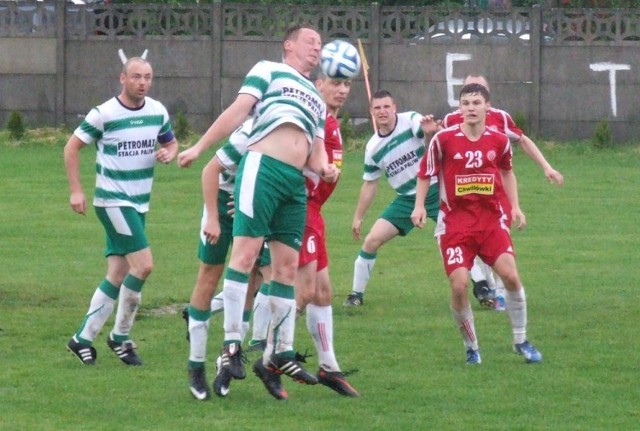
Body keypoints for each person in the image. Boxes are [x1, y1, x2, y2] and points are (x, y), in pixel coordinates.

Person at [177, 24, 338, 400]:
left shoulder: (315, 99)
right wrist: (199, 147)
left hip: (292, 183)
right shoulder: (268, 69)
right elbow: (237, 111)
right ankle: (229, 345)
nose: (317, 48)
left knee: (284, 268)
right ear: (289, 45)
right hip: (261, 170)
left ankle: (281, 349)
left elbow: (316, 153)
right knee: (238, 260)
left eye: (320, 45)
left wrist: (326, 167)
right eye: (310, 42)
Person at [411, 83, 542, 365]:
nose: (470, 107)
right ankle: (472, 347)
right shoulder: (443, 139)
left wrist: (516, 207)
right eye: (465, 103)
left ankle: (521, 340)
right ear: (459, 108)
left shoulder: (498, 139)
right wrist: (419, 206)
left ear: (487, 107)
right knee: (459, 285)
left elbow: (507, 173)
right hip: (455, 224)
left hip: (490, 220)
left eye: (476, 102)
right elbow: (425, 173)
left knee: (511, 276)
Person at [64, 57, 178, 366]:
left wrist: (169, 152)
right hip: (113, 200)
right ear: (122, 79)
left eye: (148, 77)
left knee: (117, 272)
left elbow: (172, 142)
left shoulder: (157, 111)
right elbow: (71, 147)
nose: (143, 82)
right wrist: (77, 190)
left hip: (139, 201)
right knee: (143, 266)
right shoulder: (104, 114)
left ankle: (82, 339)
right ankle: (121, 336)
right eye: (137, 76)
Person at [442, 74, 564, 309]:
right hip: (462, 197)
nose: (472, 100)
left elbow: (523, 140)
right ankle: (487, 286)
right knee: (470, 242)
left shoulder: (500, 118)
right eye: (467, 92)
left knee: (496, 242)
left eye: (478, 94)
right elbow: (439, 145)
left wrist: (546, 166)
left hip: (495, 194)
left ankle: (497, 291)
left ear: (487, 99)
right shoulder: (451, 120)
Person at [183, 119, 272, 400]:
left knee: (251, 277)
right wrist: (212, 216)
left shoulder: (289, 136)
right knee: (209, 275)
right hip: (221, 201)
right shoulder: (251, 133)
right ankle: (195, 365)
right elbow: (210, 171)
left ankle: (228, 357)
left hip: (256, 205)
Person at [292, 70, 360, 397]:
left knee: (322, 291)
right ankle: (269, 354)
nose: (342, 90)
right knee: (302, 292)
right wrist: (322, 168)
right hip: (300, 210)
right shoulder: (311, 118)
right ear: (318, 85)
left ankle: (328, 366)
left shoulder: (329, 121)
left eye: (347, 84)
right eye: (335, 83)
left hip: (314, 214)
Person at [343, 90, 439, 307]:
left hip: (435, 191)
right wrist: (358, 217)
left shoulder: (410, 119)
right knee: (371, 241)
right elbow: (370, 184)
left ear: (394, 107)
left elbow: (421, 129)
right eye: (377, 108)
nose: (383, 111)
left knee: (454, 241)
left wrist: (427, 131)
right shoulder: (372, 148)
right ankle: (356, 295)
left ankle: (483, 287)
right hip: (405, 200)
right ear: (371, 112)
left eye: (387, 107)